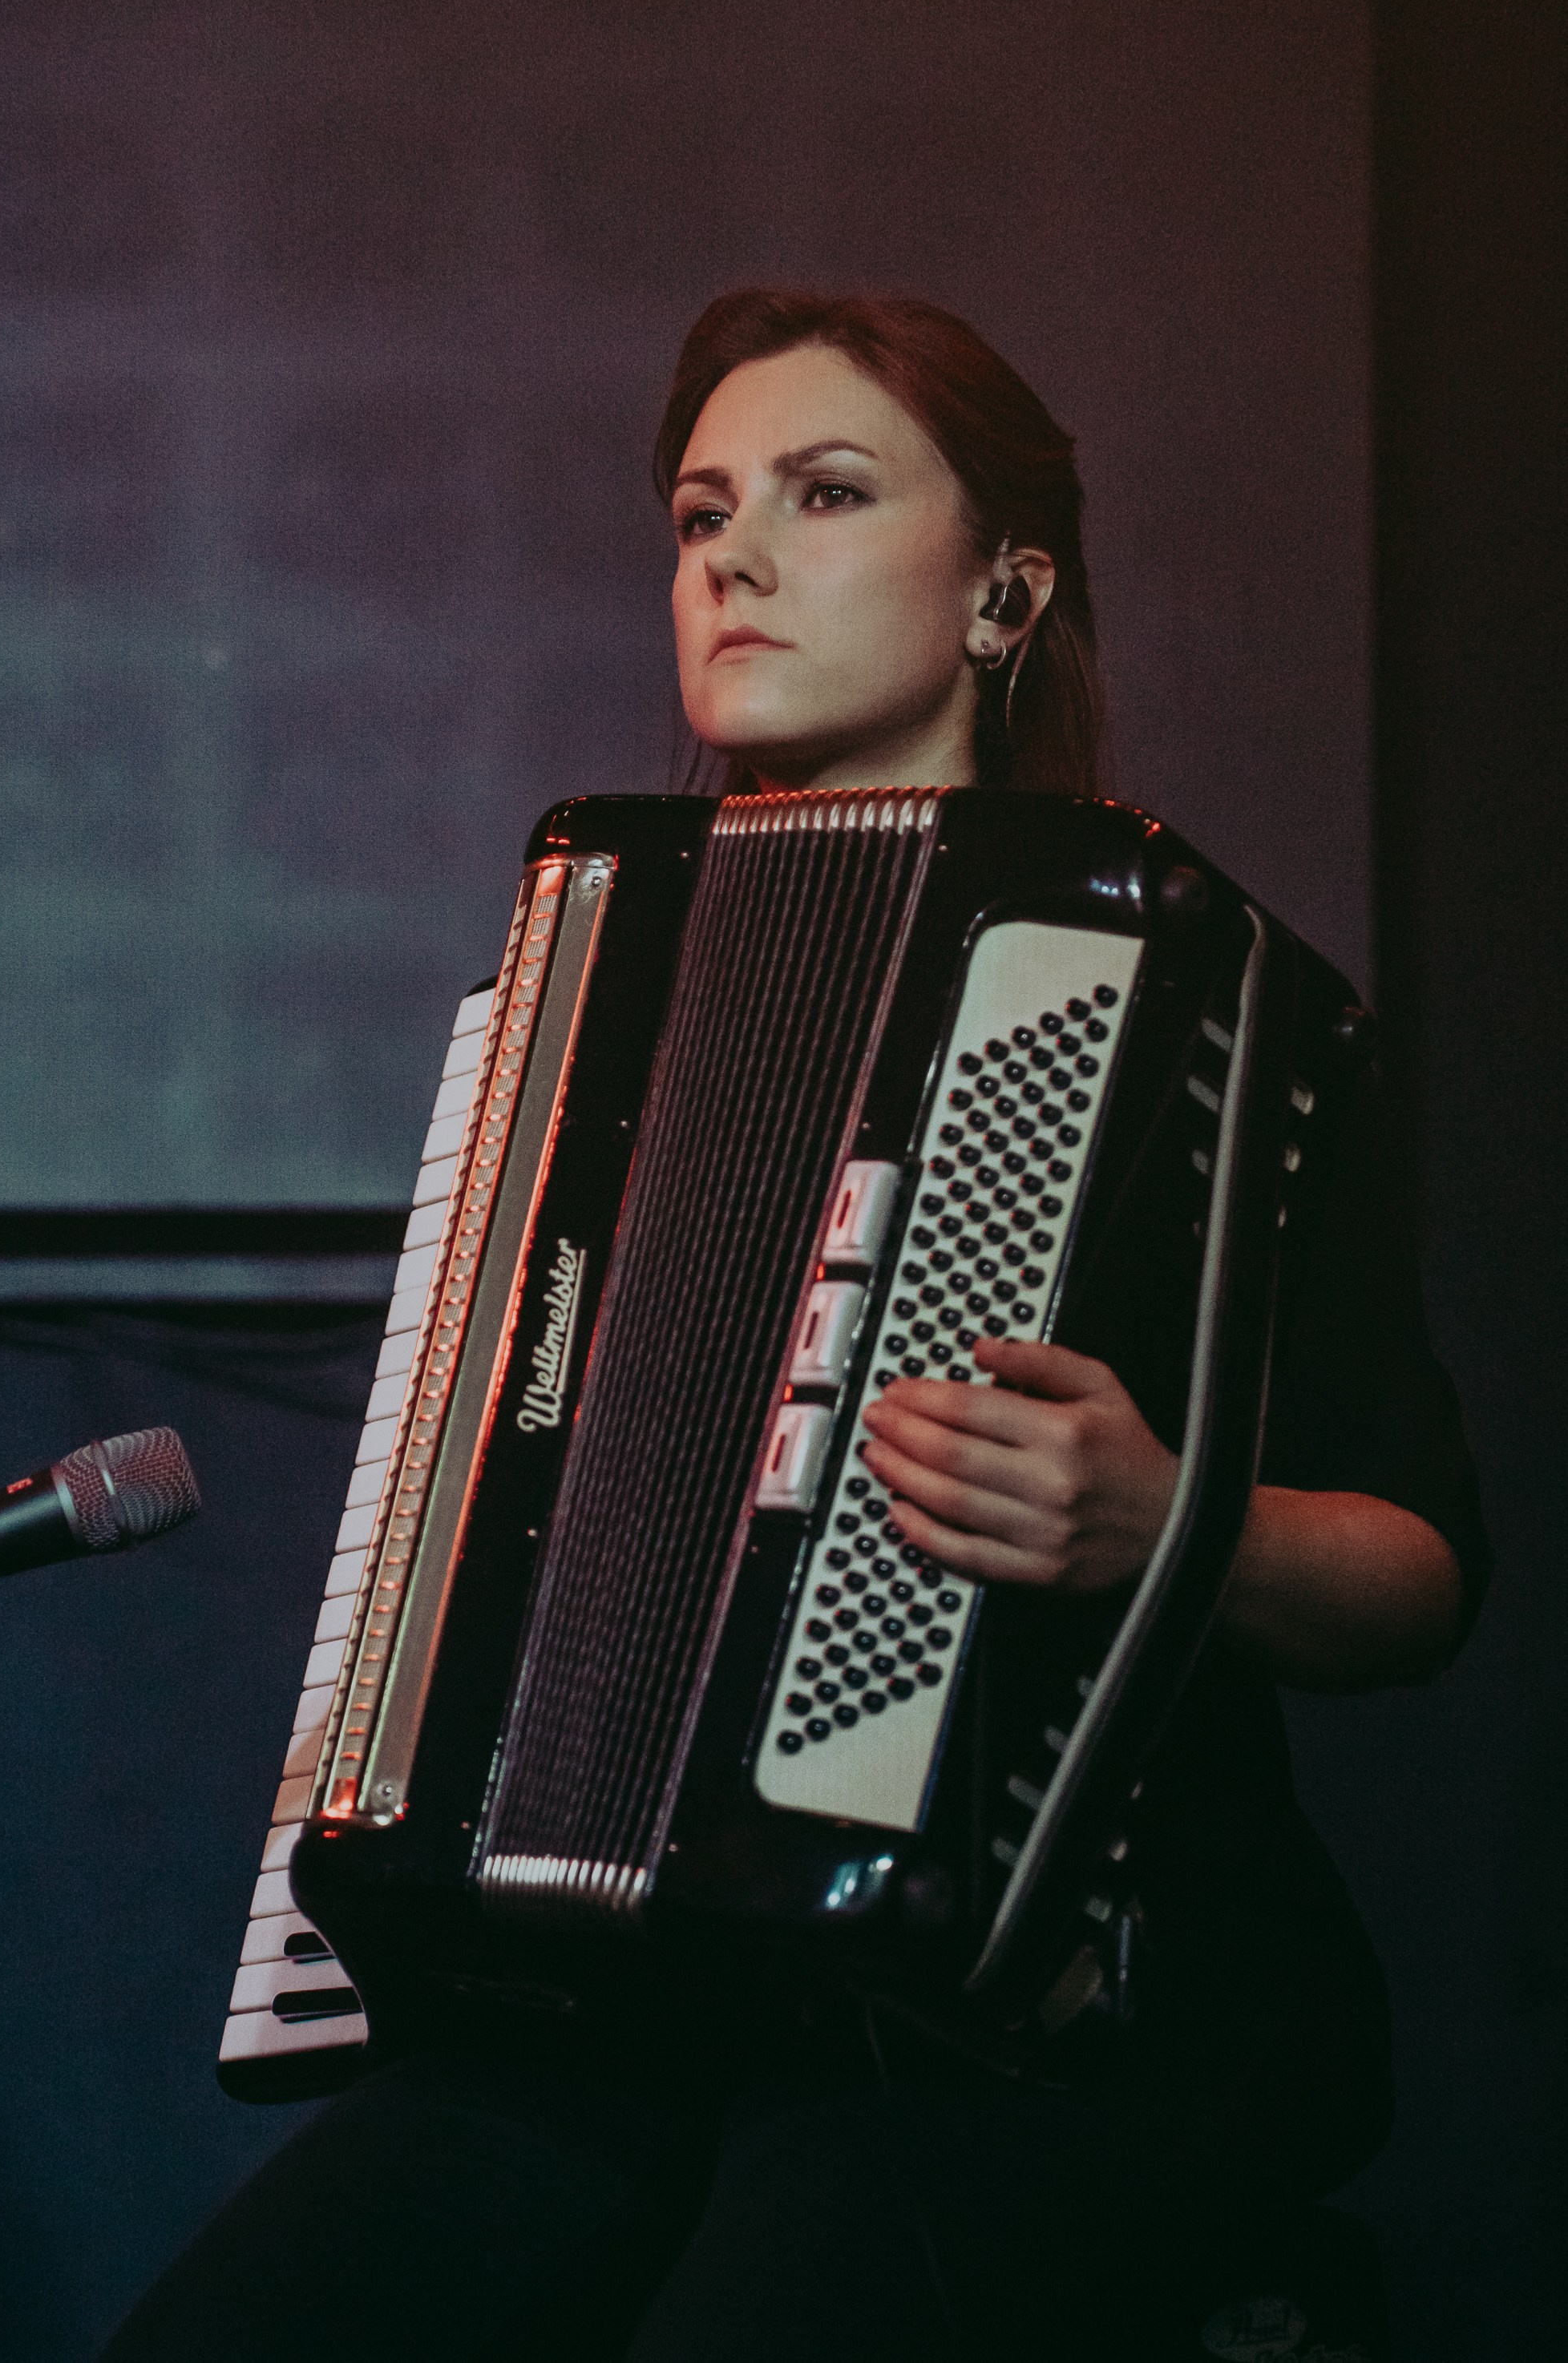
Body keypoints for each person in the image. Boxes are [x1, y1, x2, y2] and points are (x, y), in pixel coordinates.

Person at [104, 290, 1489, 2361]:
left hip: (1062, 2004)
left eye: (824, 495)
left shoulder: (1208, 996)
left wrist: (1165, 1520)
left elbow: (1422, 1573)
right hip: (631, 1993)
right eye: (700, 513)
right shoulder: (585, 1013)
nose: (733, 557)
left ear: (1007, 587)